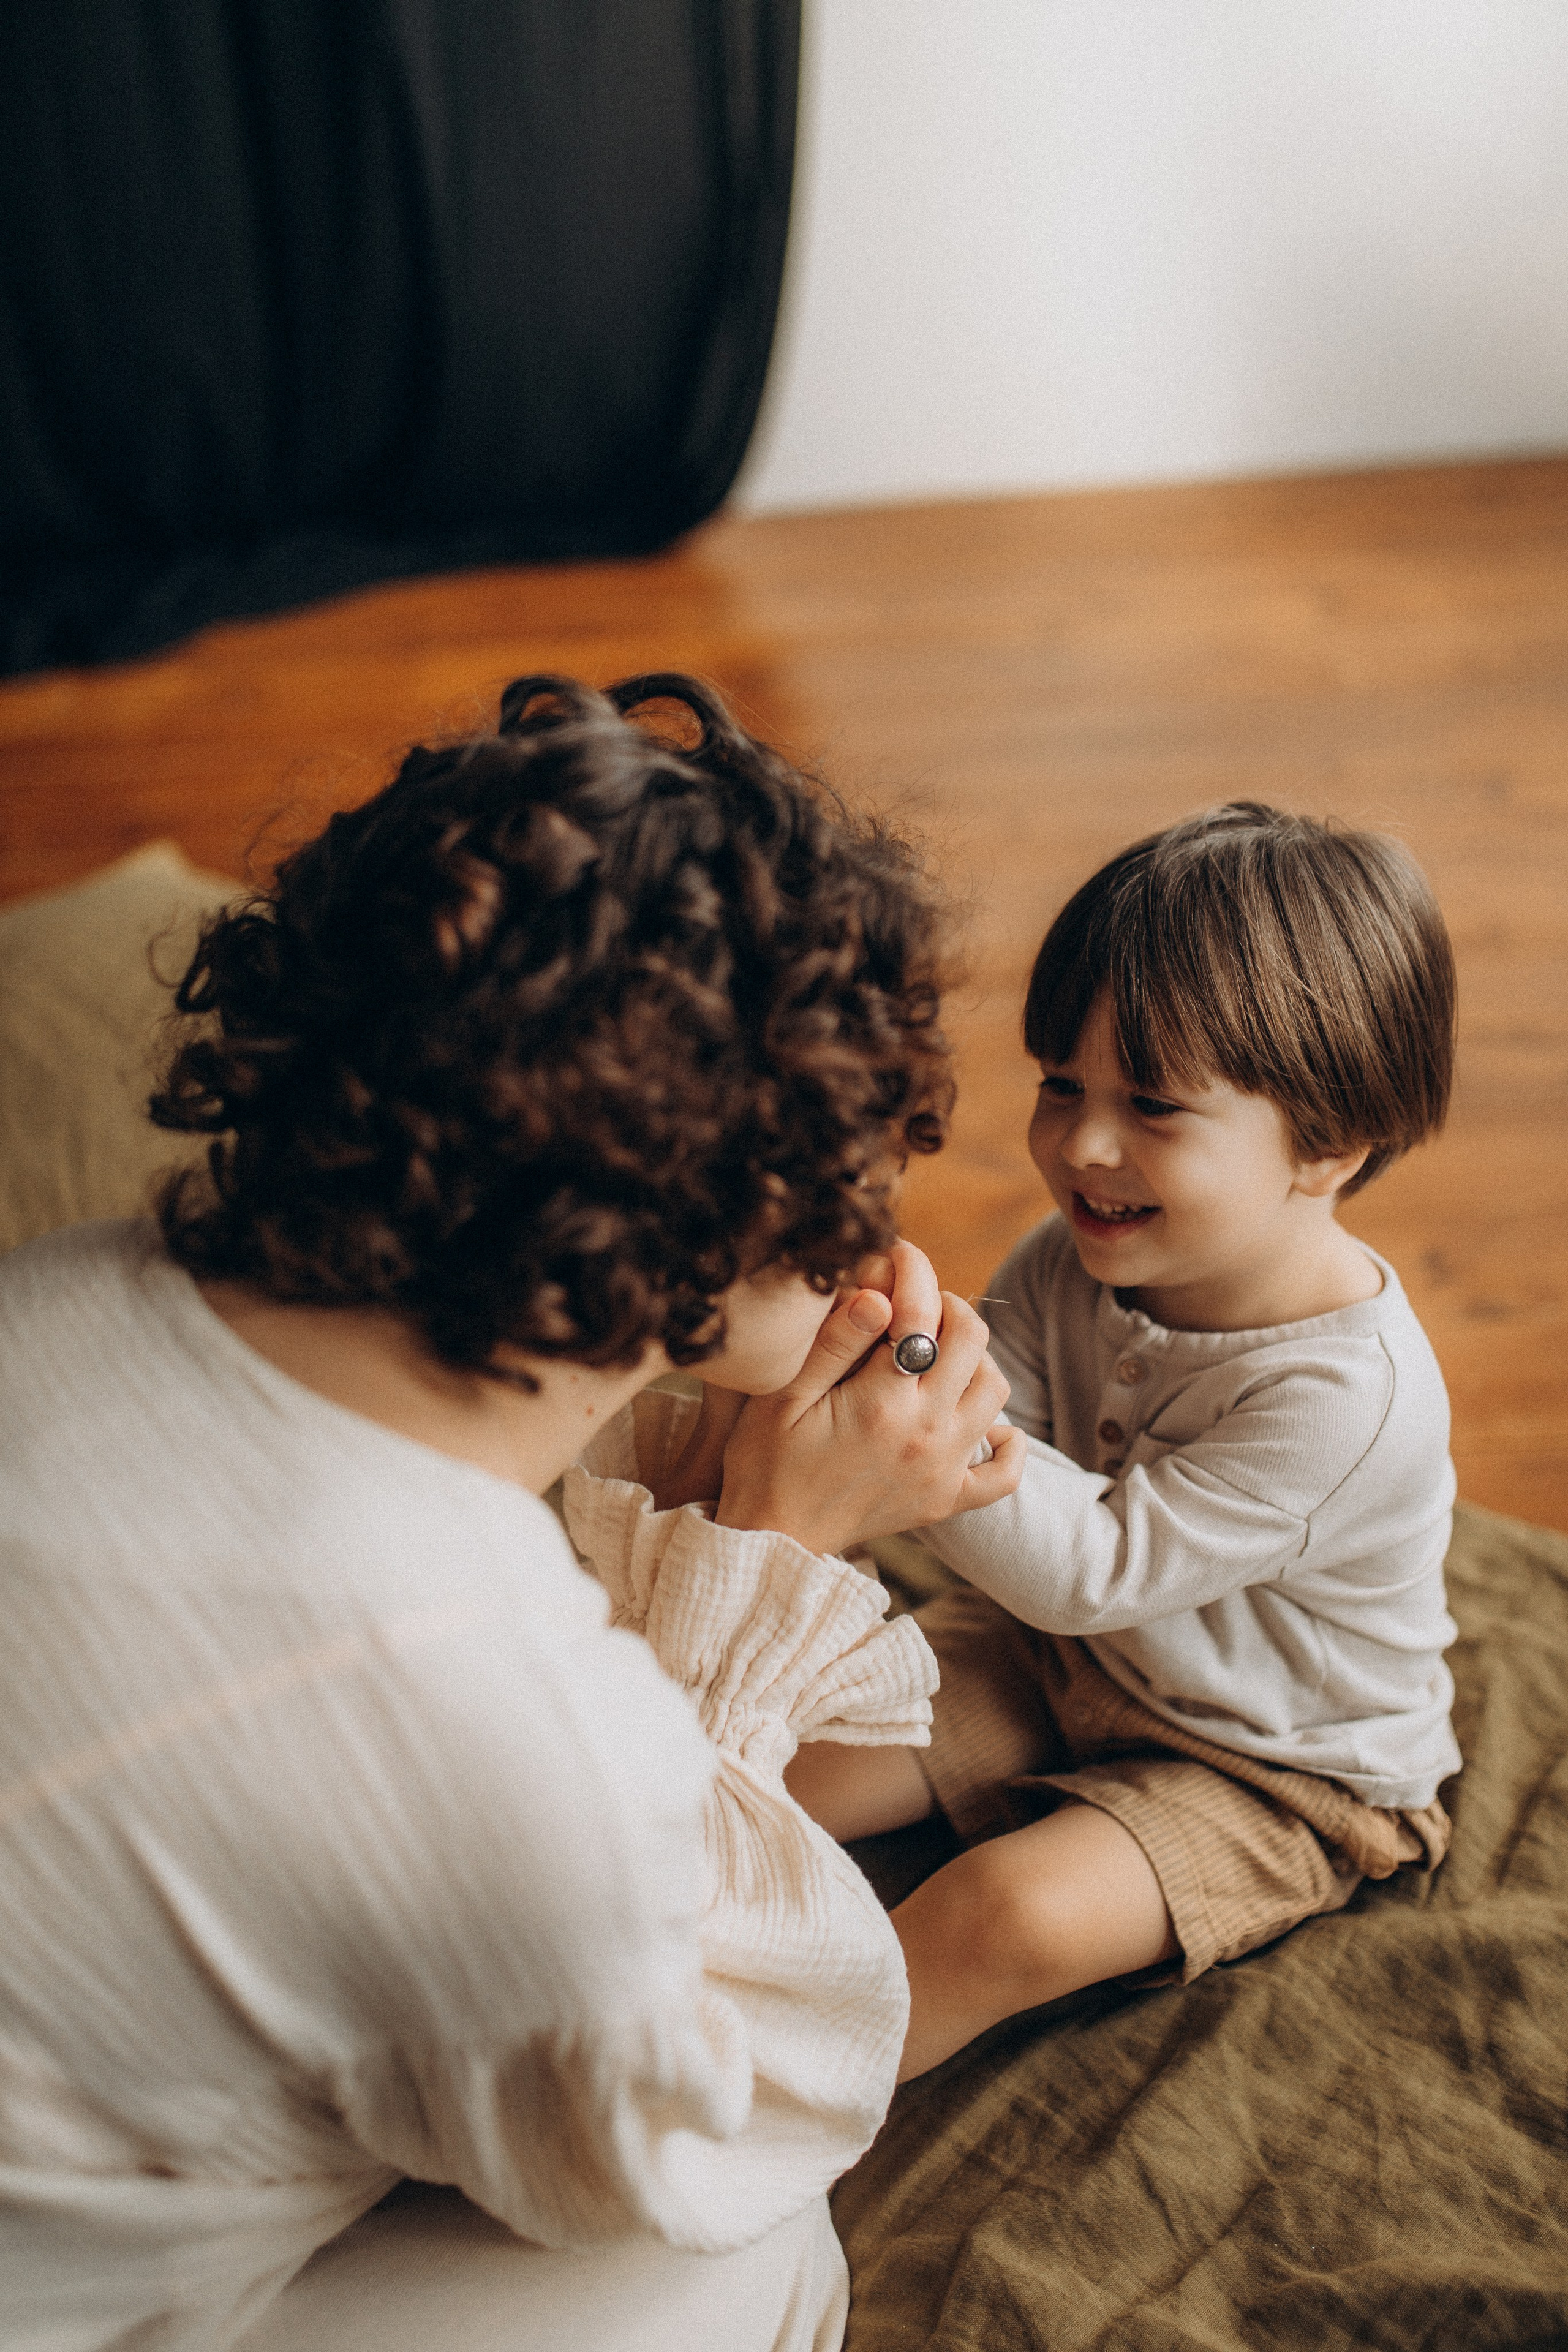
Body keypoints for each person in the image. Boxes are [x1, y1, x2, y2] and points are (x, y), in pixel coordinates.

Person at [0, 674, 1022, 2352]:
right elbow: (673, 2127)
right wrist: (756, 1583)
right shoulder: (507, 1724)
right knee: (747, 2263)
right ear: (756, 1223)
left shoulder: (60, 1286)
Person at [783, 804, 1461, 2080]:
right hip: (1059, 1657)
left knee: (1006, 1916)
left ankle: (769, 2106)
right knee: (789, 1751)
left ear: (1327, 1146)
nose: (1081, 1147)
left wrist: (911, 1377)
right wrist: (922, 1368)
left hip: (1269, 1765)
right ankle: (573, 1968)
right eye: (1060, 1086)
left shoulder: (1344, 1396)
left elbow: (1083, 1563)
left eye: (1151, 1106)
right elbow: (1014, 1445)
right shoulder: (1074, 1254)